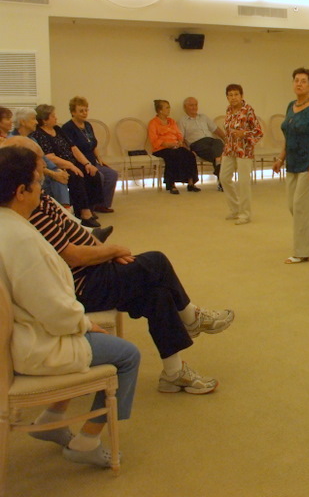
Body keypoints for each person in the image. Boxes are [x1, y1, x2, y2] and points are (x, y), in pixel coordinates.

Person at [6, 136, 234, 394]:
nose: (43, 167)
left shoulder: (37, 198)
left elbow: (75, 234)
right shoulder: (29, 211)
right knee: (156, 261)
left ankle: (174, 373)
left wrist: (106, 253)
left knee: (158, 294)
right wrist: (111, 251)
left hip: (93, 269)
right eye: (37, 162)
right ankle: (191, 318)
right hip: (83, 285)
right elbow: (72, 256)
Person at [0, 145, 140, 468]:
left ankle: (53, 417)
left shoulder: (9, 225)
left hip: (23, 334)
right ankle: (87, 442)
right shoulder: (21, 239)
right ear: (21, 192)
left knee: (99, 341)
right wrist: (84, 324)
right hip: (34, 343)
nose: (41, 188)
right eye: (37, 182)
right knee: (127, 355)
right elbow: (53, 309)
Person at [273, 67, 309, 264]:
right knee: (294, 206)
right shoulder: (291, 105)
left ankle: (302, 252)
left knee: (300, 207)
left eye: (303, 81)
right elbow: (288, 136)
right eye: (296, 80)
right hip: (292, 163)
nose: (299, 84)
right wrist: (280, 158)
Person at [31, 104, 104, 227]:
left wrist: (87, 163)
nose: (56, 118)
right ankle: (84, 213)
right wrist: (70, 165)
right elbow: (50, 157)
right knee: (76, 176)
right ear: (44, 120)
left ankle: (90, 208)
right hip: (58, 166)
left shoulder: (58, 129)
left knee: (92, 172)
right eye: (53, 116)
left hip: (71, 162)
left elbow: (73, 148)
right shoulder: (39, 134)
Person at [61, 96, 118, 213]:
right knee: (99, 176)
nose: (84, 113)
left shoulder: (87, 125)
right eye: (81, 111)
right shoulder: (67, 128)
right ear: (73, 112)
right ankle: (90, 206)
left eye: (86, 110)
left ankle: (102, 204)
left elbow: (93, 144)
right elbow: (73, 149)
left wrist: (99, 159)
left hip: (92, 161)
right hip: (79, 163)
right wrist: (87, 163)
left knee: (112, 174)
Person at [220, 84, 263, 224]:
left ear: (241, 96)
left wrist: (244, 133)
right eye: (230, 95)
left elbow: (258, 132)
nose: (233, 98)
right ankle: (235, 208)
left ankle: (245, 214)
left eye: (236, 94)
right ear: (227, 97)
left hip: (244, 150)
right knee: (224, 178)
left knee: (243, 182)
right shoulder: (228, 110)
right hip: (229, 149)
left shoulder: (248, 110)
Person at [13, 107, 71, 206]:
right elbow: (29, 166)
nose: (36, 122)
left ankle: (64, 209)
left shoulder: (32, 139)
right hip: (28, 177)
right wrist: (53, 173)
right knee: (56, 179)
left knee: (60, 175)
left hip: (42, 173)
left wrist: (57, 170)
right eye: (33, 119)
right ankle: (63, 210)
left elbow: (44, 159)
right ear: (23, 122)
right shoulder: (14, 141)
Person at [147, 99, 200, 195]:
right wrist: (167, 144)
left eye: (169, 107)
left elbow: (179, 134)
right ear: (160, 110)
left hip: (175, 146)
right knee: (172, 156)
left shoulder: (171, 121)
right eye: (167, 108)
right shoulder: (153, 123)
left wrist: (179, 141)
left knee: (190, 155)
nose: (169, 109)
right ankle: (171, 184)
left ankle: (191, 183)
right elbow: (153, 140)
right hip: (161, 149)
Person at [179, 96, 225, 191]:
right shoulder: (182, 121)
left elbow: (216, 129)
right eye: (191, 105)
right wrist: (187, 150)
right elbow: (181, 138)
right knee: (220, 154)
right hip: (197, 144)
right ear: (185, 107)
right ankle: (221, 180)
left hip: (211, 141)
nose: (194, 107)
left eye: (196, 105)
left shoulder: (204, 117)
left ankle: (218, 167)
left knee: (219, 142)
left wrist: (226, 138)